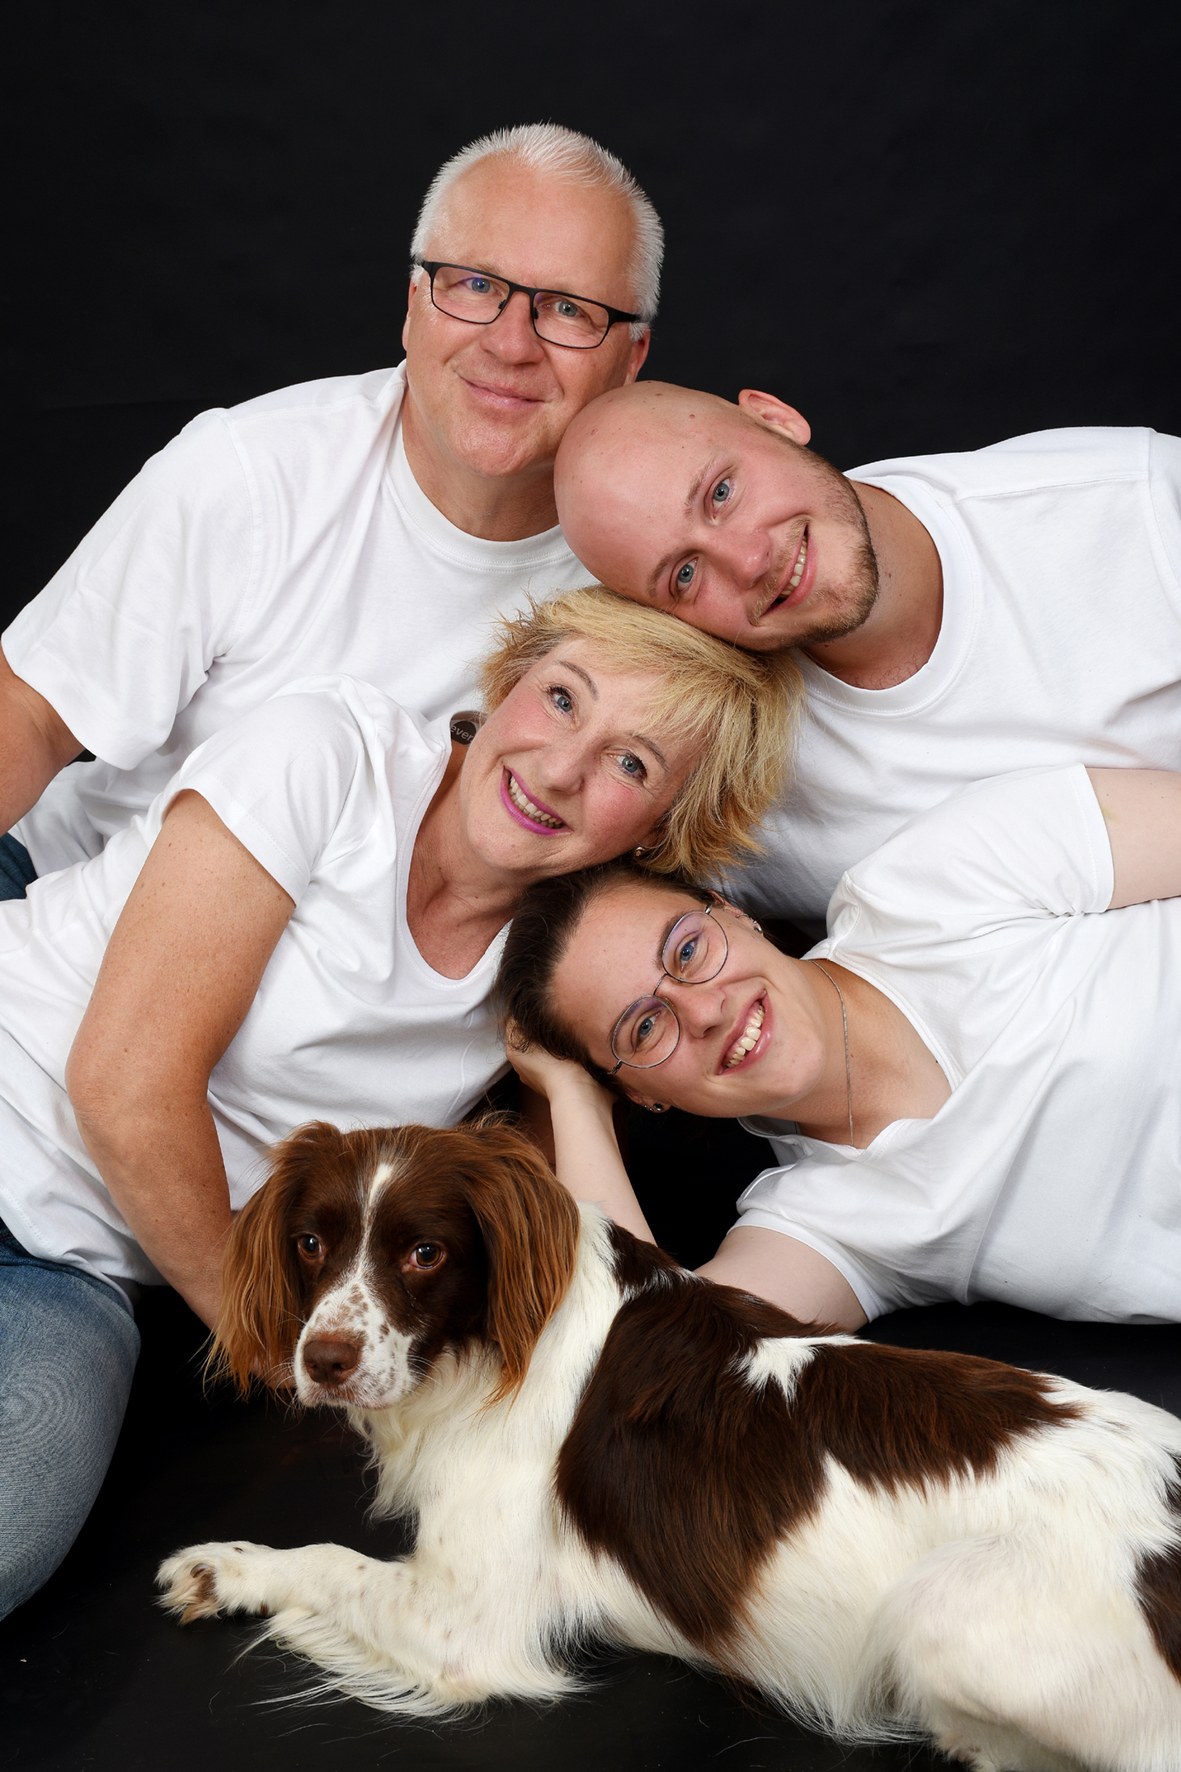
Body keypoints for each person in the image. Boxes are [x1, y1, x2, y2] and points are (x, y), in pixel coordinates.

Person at [0, 585, 799, 1620]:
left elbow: (587, 1280)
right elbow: (124, 1085)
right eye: (562, 698)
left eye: (631, 765)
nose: (560, 768)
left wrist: (565, 1083)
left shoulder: (554, 977)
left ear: (659, 831)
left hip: (74, 1266)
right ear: (507, 681)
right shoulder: (328, 754)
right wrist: (287, 1353)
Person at [0, 122, 660, 895]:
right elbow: (32, 712)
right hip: (68, 894)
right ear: (414, 305)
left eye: (569, 309)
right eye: (474, 285)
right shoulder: (249, 473)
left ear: (630, 359)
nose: (510, 345)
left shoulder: (658, 567)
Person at [497, 760, 1181, 1334]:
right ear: (641, 1094)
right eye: (644, 1029)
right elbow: (651, 1360)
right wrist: (572, 1097)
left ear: (732, 911)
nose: (703, 1010)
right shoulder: (827, 1225)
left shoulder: (937, 882)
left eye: (687, 950)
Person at [553, 380, 1181, 930]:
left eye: (721, 493)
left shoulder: (1139, 503)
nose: (749, 560)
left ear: (775, 419)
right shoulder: (724, 777)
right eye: (686, 575)